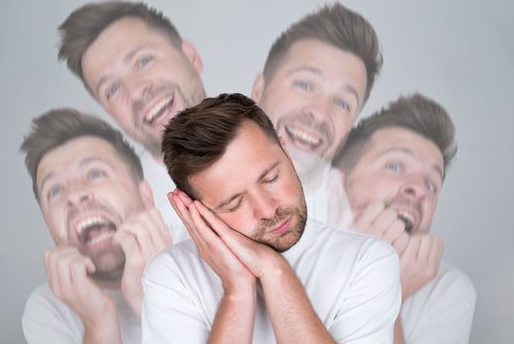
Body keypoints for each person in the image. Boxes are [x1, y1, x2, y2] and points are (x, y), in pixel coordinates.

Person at [142, 93, 401, 343]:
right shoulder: (173, 274)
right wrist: (237, 289)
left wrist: (274, 270)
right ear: (195, 211)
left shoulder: (367, 261)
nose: (267, 210)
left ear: (286, 153)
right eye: (235, 204)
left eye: (271, 178)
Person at [332, 94, 476, 344]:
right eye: (395, 167)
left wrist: (388, 288)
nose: (420, 189)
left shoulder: (447, 290)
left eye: (432, 184)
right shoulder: (281, 252)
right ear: (335, 185)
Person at [21, 109, 172, 343]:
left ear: (146, 195)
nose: (74, 195)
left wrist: (153, 299)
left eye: (94, 174)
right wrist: (98, 323)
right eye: (55, 190)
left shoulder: (204, 256)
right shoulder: (48, 311)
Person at [58, 0, 206, 235]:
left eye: (143, 61)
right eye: (112, 90)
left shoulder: (279, 144)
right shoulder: (119, 226)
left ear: (191, 56)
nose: (135, 92)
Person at [251, 2, 382, 204]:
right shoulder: (189, 189)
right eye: (304, 85)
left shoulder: (354, 226)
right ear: (259, 91)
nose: (320, 114)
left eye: (342, 103)